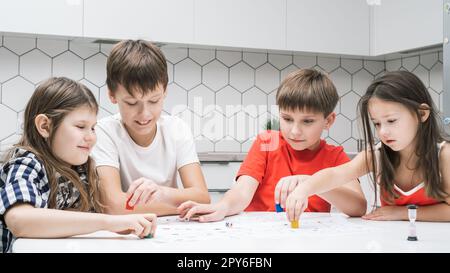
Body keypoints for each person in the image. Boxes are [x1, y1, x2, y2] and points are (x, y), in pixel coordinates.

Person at [178, 69, 367, 222]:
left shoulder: (334, 156)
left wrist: (312, 183)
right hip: (261, 237)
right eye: (287, 119)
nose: (294, 131)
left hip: (308, 238)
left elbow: (358, 207)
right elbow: (242, 192)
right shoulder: (267, 143)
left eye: (307, 122)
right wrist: (223, 207)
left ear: (328, 120)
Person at [0, 77, 156, 253]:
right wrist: (107, 222)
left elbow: (111, 208)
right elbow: (20, 220)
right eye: (81, 126)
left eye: (93, 128)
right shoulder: (27, 164)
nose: (91, 137)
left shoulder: (82, 167)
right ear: (45, 126)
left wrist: (144, 192)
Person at [284, 71, 450, 222]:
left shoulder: (444, 155)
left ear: (422, 114)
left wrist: (402, 213)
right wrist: (305, 189)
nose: (383, 132)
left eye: (391, 121)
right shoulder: (376, 155)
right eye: (377, 124)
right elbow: (336, 174)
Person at [92, 40, 210, 216]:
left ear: (165, 92)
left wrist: (162, 192)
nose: (144, 114)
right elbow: (113, 205)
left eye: (154, 101)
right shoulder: (103, 132)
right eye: (132, 103)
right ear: (112, 94)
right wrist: (179, 204)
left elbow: (202, 197)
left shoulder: (177, 128)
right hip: (126, 232)